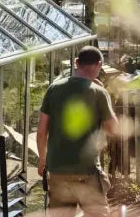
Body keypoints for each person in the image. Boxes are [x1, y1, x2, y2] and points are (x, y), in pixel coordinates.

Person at [37, 46, 118, 217]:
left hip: (57, 169)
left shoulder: (53, 89)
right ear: (99, 64)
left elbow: (42, 130)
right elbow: (113, 129)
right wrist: (106, 97)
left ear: (76, 63)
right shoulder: (99, 93)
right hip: (86, 170)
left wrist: (42, 159)